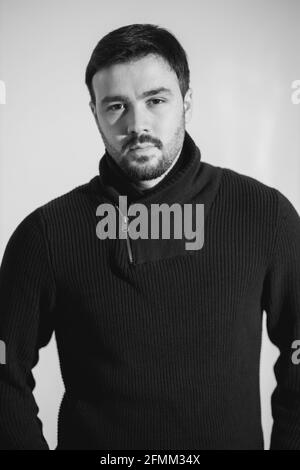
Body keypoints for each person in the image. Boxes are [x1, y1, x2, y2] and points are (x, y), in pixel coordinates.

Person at [0, 23, 300, 451]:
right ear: (94, 113)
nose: (137, 125)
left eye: (155, 100)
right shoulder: (47, 234)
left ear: (187, 102)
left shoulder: (264, 214)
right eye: (116, 106)